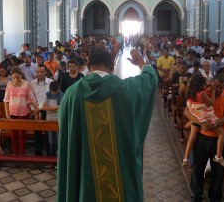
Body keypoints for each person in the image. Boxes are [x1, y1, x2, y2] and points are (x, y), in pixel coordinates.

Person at [57, 47, 158, 201]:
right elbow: (150, 79)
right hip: (120, 180)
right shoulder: (127, 89)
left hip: (85, 172)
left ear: (88, 65)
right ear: (112, 66)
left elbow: (64, 124)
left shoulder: (71, 94)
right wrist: (141, 63)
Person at [184, 73, 224, 202]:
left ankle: (215, 197)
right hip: (202, 138)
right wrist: (200, 122)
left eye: (220, 87)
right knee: (198, 168)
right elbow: (186, 111)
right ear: (212, 83)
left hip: (217, 140)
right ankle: (196, 196)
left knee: (217, 171)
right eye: (215, 86)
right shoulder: (203, 93)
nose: (217, 89)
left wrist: (213, 124)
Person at [182, 73, 224, 168]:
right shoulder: (202, 93)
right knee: (222, 134)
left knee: (192, 138)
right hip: (205, 117)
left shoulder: (191, 91)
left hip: (196, 116)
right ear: (200, 84)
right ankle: (218, 156)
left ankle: (185, 159)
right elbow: (211, 103)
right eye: (204, 84)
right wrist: (213, 91)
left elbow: (188, 108)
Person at [3, 67, 39, 155]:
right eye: (13, 77)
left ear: (21, 75)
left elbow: (31, 98)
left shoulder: (26, 84)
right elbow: (6, 100)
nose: (15, 79)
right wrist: (7, 113)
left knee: (22, 133)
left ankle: (21, 151)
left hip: (23, 112)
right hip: (12, 112)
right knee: (13, 133)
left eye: (17, 77)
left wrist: (37, 108)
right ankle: (15, 152)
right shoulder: (9, 84)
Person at [30, 64, 53, 156]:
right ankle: (38, 153)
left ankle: (48, 154)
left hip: (47, 110)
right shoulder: (32, 83)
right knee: (37, 134)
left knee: (48, 134)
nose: (40, 73)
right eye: (38, 71)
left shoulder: (51, 82)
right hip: (35, 110)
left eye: (42, 71)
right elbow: (31, 98)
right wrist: (35, 111)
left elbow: (49, 99)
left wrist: (38, 109)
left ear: (45, 72)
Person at [42, 81, 64, 156]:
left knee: (59, 141)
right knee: (51, 141)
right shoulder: (47, 94)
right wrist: (55, 107)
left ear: (59, 88)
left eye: (56, 91)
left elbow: (63, 108)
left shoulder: (62, 95)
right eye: (53, 91)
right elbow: (43, 107)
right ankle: (51, 158)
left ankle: (58, 160)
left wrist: (50, 108)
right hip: (49, 119)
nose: (54, 93)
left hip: (59, 120)